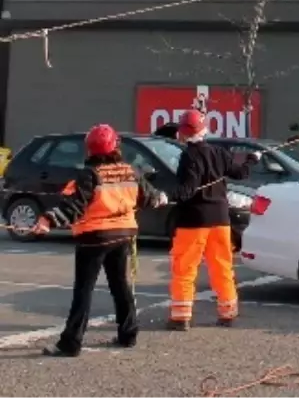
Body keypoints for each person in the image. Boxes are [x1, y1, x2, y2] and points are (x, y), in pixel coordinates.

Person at [35, 124, 169, 356]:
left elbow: (74, 207)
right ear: (115, 146)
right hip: (123, 234)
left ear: (90, 150)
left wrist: (47, 220)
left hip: (94, 237)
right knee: (120, 286)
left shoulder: (89, 175)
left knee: (84, 291)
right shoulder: (131, 171)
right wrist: (161, 198)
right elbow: (150, 197)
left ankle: (71, 343)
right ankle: (128, 334)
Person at [168, 109, 258, 330]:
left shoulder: (188, 156)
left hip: (193, 220)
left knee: (185, 267)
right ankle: (228, 312)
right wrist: (252, 160)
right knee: (222, 267)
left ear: (184, 133)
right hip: (220, 219)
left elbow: (188, 189)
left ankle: (181, 316)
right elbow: (240, 174)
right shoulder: (219, 153)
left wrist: (168, 196)